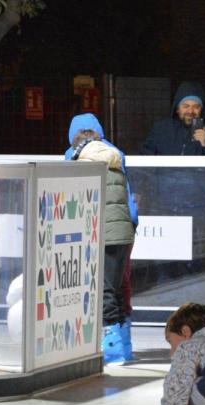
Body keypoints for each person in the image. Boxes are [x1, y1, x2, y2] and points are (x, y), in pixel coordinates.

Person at [141, 82, 205, 281]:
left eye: (196, 106)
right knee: (165, 253)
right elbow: (145, 161)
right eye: (186, 106)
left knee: (195, 252)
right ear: (177, 108)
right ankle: (164, 291)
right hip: (164, 203)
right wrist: (139, 191)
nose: (191, 111)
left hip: (198, 204)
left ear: (202, 109)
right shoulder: (161, 129)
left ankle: (192, 290)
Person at [65, 113, 136, 364]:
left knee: (103, 291)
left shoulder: (76, 160)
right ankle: (124, 344)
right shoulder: (115, 156)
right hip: (124, 232)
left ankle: (112, 349)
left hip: (99, 233)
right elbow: (128, 196)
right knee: (118, 289)